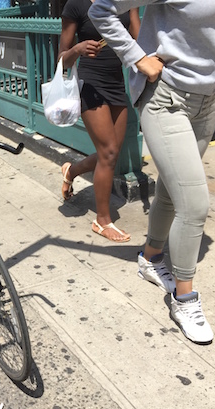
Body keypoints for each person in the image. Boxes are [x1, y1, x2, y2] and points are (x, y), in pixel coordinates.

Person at [89, 0, 215, 344]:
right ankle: (184, 299)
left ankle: (149, 257)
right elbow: (101, 9)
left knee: (171, 191)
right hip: (167, 98)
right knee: (194, 205)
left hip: (211, 99)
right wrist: (136, 57)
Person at [58, 0, 140, 243]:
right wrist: (78, 49)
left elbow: (138, 37)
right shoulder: (76, 5)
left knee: (111, 153)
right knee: (109, 151)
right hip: (90, 84)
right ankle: (102, 221)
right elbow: (61, 59)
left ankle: (70, 171)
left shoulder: (126, 2)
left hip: (116, 83)